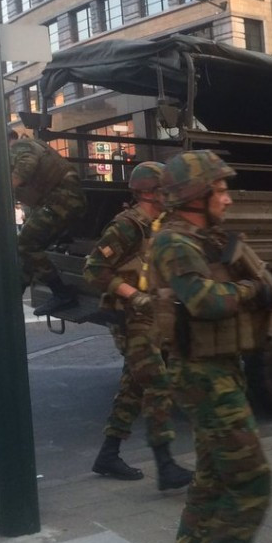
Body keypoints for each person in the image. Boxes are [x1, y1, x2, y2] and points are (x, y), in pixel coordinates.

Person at [147, 151, 272, 543]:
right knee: (253, 479)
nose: (228, 200)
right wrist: (250, 292)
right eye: (220, 191)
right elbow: (204, 301)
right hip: (203, 376)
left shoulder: (205, 240)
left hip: (220, 369)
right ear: (196, 196)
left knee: (212, 477)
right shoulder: (173, 242)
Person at [83, 161, 192, 491]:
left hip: (154, 318)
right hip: (133, 320)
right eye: (165, 190)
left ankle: (108, 455)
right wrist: (134, 296)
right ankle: (166, 465)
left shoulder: (157, 225)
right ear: (149, 192)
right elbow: (94, 269)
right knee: (158, 385)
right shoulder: (128, 225)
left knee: (134, 387)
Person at [9, 133, 87, 315]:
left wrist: (1, 187)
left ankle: (62, 294)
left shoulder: (20, 146)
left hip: (62, 201)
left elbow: (25, 169)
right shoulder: (23, 146)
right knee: (26, 250)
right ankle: (12, 299)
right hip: (59, 202)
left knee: (26, 245)